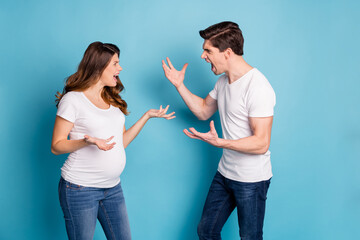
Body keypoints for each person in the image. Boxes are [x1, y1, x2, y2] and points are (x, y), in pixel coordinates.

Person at [162, 21, 276, 240]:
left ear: (228, 53)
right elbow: (204, 111)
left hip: (251, 180)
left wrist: (221, 142)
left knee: (250, 237)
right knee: (206, 230)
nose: (203, 56)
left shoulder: (258, 87)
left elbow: (261, 143)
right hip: (225, 173)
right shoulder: (223, 83)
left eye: (208, 51)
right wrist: (179, 85)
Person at [51, 41, 175, 240]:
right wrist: (88, 142)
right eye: (115, 63)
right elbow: (56, 146)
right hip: (80, 188)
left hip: (112, 188)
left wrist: (146, 116)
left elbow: (121, 143)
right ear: (99, 66)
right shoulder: (73, 100)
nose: (120, 68)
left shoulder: (111, 99)